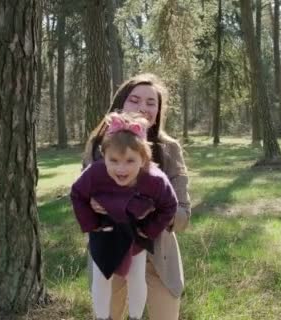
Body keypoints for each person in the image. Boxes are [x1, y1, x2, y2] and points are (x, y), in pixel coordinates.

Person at [83, 73, 191, 320]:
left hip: (159, 260)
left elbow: (184, 217)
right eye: (135, 100)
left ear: (158, 111)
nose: (143, 107)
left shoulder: (170, 149)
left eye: (151, 103)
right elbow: (81, 201)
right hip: (110, 254)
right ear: (121, 104)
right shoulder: (98, 146)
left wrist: (154, 207)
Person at [71, 112, 178, 320]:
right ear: (104, 156)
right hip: (104, 229)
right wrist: (91, 224)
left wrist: (149, 230)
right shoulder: (95, 173)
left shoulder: (154, 179)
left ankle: (135, 317)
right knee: (101, 276)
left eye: (130, 160)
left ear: (143, 158)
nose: (121, 168)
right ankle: (103, 317)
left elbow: (170, 205)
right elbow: (77, 194)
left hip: (134, 232)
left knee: (136, 276)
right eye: (114, 160)